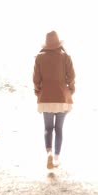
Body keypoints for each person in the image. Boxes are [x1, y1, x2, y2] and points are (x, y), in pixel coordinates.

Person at [33, 31, 75, 169]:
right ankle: (56, 158)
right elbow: (72, 76)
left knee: (48, 128)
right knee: (59, 128)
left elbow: (36, 80)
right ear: (58, 43)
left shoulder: (39, 58)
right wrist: (71, 90)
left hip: (46, 98)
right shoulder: (65, 57)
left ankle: (49, 153)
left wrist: (38, 92)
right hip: (62, 98)